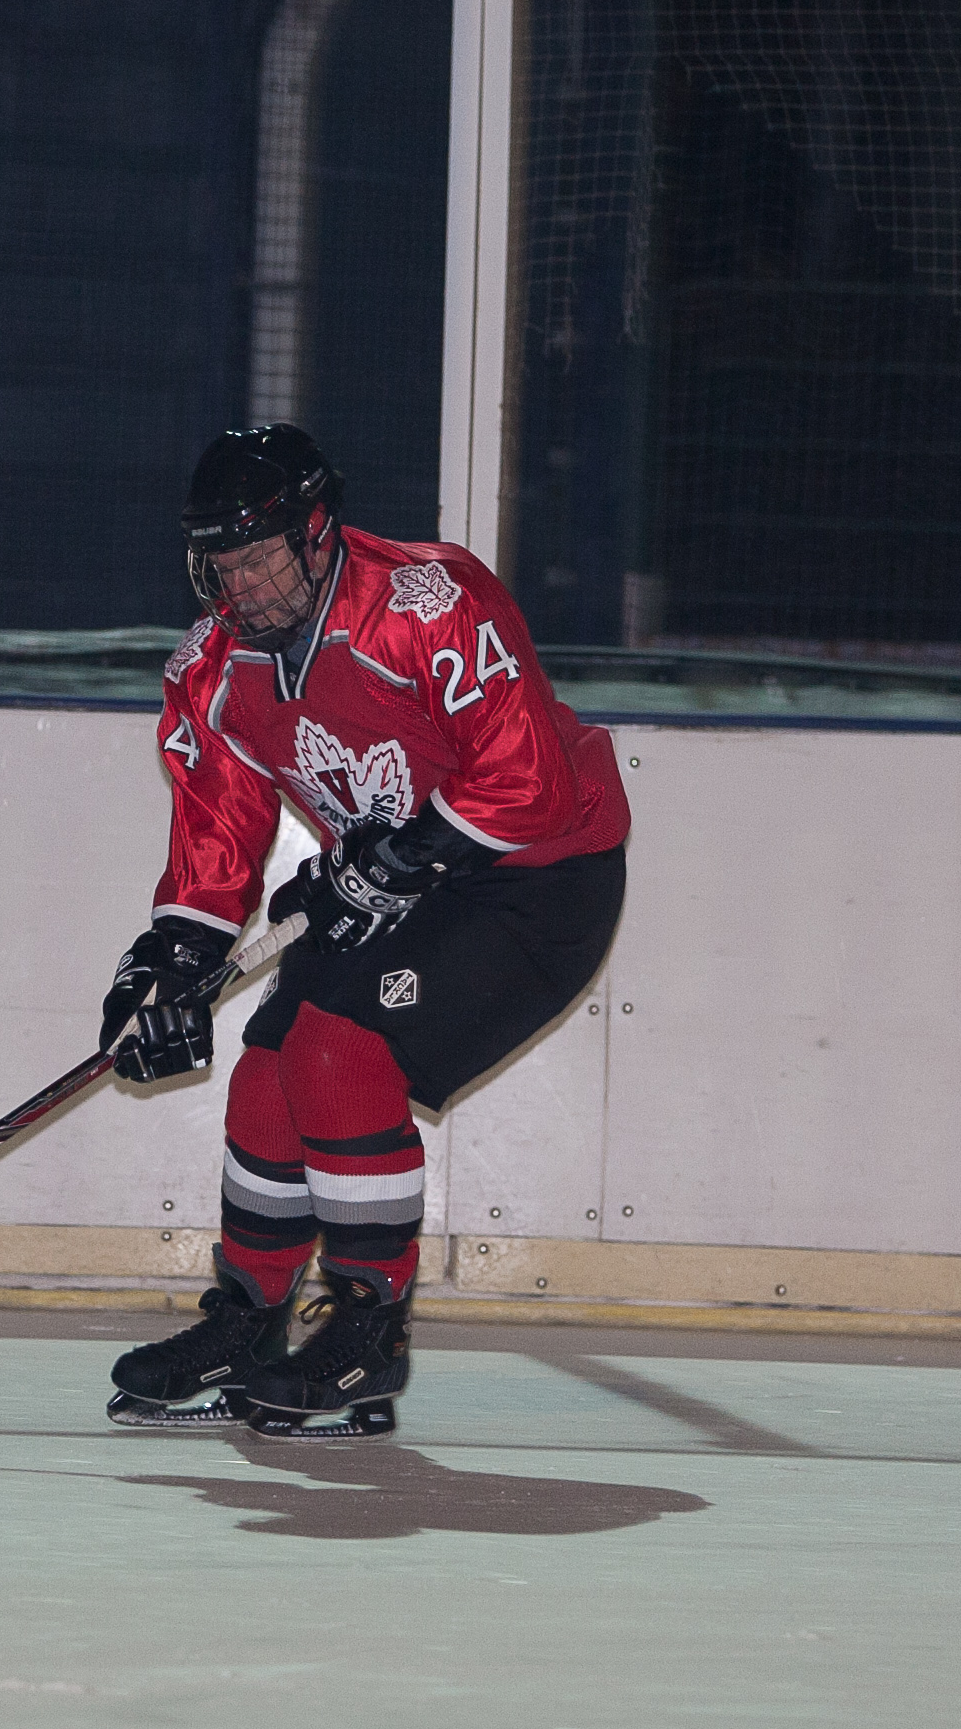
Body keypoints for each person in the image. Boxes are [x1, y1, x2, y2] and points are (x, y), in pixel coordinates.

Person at [100, 425, 631, 1438]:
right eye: (221, 561)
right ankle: (248, 1321)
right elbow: (217, 838)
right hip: (407, 883)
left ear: (317, 534)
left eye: (260, 556)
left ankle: (367, 1334)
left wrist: (392, 860)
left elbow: (530, 783)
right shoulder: (212, 670)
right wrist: (168, 962)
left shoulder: (429, 602)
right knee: (267, 1073)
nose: (241, 584)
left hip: (539, 876)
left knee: (338, 1052)